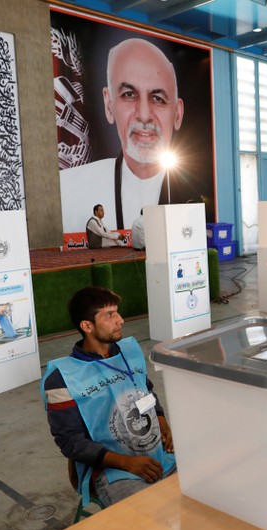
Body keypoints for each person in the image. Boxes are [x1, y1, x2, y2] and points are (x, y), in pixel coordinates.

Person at [59, 38, 205, 249]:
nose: (144, 115)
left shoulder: (191, 191)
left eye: (158, 98)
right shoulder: (69, 189)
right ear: (109, 105)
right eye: (129, 95)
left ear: (178, 113)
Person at [40, 287, 176, 506]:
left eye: (117, 312)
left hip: (158, 453)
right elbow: (70, 442)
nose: (120, 320)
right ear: (87, 326)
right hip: (112, 471)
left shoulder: (128, 352)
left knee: (201, 493)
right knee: (149, 514)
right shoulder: (62, 379)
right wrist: (127, 463)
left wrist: (161, 422)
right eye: (109, 315)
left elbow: (145, 389)